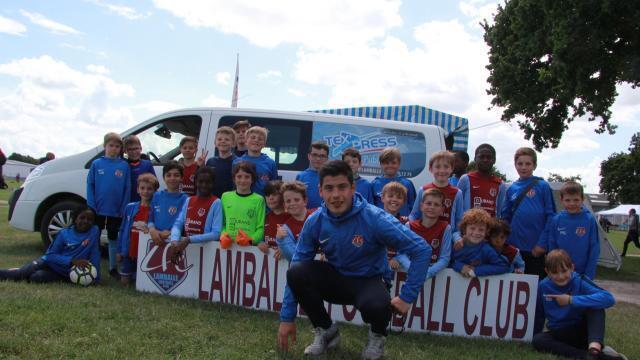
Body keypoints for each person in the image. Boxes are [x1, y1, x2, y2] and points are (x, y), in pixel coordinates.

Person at [277, 160, 431, 360]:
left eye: (342, 187)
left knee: (378, 305)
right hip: (337, 280)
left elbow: (422, 249)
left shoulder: (375, 218)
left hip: (369, 280)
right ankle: (326, 331)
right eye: (329, 188)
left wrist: (407, 296)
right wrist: (287, 318)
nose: (336, 195)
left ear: (352, 188)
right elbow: (297, 261)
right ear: (320, 191)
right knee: (297, 272)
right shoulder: (315, 221)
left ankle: (377, 336)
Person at [532, 249, 627, 360]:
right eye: (555, 272)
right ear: (547, 272)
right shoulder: (543, 286)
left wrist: (571, 300)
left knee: (596, 307)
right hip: (559, 333)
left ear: (572, 268)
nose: (561, 276)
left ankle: (594, 350)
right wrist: (533, 334)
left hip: (582, 331)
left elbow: (609, 299)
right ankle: (589, 356)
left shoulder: (580, 281)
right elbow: (539, 314)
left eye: (564, 271)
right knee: (538, 340)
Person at [0, 205, 101, 283]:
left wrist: (96, 278)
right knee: (19, 275)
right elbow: (50, 256)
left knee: (36, 278)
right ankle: (17, 271)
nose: (85, 221)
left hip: (64, 273)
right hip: (48, 262)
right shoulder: (64, 234)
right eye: (82, 218)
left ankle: (27, 272)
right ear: (75, 219)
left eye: (89, 219)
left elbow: (95, 252)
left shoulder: (94, 232)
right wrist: (72, 261)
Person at [501, 147, 555, 278]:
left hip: (536, 249)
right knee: (514, 288)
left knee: (535, 287)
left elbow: (551, 216)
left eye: (528, 164)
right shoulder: (511, 188)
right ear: (515, 165)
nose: (523, 167)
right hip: (515, 248)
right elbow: (505, 218)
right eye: (520, 164)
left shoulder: (542, 186)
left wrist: (542, 244)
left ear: (534, 165)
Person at [87, 132, 130, 279]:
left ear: (121, 149)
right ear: (105, 146)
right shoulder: (97, 164)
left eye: (117, 146)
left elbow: (127, 188)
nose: (114, 149)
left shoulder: (124, 166)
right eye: (111, 145)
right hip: (97, 210)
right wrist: (92, 205)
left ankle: (112, 268)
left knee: (113, 239)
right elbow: (90, 185)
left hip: (116, 211)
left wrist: (123, 208)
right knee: (94, 237)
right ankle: (92, 265)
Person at [541, 181, 600, 279]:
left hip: (582, 274)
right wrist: (554, 269)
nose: (572, 203)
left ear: (582, 199)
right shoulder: (556, 220)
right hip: (561, 273)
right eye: (568, 200)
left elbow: (594, 248)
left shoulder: (589, 219)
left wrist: (589, 274)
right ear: (561, 200)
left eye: (576, 200)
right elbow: (552, 247)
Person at [169, 166, 223, 253]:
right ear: (195, 182)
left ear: (213, 183)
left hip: (207, 251)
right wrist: (174, 240)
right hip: (188, 250)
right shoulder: (189, 200)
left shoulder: (216, 202)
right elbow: (178, 224)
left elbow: (216, 234)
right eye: (201, 182)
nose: (204, 185)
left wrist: (189, 240)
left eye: (208, 182)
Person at [410, 151, 463, 237]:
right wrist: (411, 227)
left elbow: (459, 220)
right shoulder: (423, 190)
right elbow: (414, 214)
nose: (442, 171)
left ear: (452, 169)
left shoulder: (457, 193)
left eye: (446, 167)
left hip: (447, 238)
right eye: (437, 167)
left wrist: (456, 237)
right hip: (424, 236)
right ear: (431, 169)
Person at [117, 173, 158, 285]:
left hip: (145, 252)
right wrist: (119, 250)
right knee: (125, 282)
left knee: (143, 283)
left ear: (155, 191)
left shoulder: (156, 210)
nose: (145, 191)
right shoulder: (130, 207)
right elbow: (122, 229)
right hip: (129, 250)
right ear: (137, 190)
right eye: (142, 188)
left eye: (150, 189)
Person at [403, 188, 452, 279]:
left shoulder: (446, 228)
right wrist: (412, 269)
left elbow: (445, 258)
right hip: (411, 273)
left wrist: (428, 273)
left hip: (433, 276)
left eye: (436, 204)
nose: (432, 207)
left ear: (442, 209)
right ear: (421, 206)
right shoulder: (409, 226)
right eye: (428, 203)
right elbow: (402, 254)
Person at [220, 161, 267, 251]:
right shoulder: (225, 197)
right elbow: (222, 223)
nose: (243, 180)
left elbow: (260, 228)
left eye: (247, 177)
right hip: (229, 247)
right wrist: (223, 235)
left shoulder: (259, 200)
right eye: (239, 176)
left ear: (252, 179)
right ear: (234, 178)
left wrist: (250, 240)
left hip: (249, 249)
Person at [451, 208, 509, 277]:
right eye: (472, 228)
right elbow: (446, 261)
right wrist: (460, 267)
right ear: (464, 229)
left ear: (486, 232)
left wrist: (475, 270)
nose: (476, 233)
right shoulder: (457, 244)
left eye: (481, 230)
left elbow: (503, 267)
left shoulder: (486, 249)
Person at [457, 144, 505, 217]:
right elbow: (458, 206)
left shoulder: (500, 184)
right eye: (481, 157)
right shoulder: (466, 179)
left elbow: (499, 212)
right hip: (469, 227)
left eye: (488, 157)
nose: (485, 160)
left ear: (494, 160)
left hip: (491, 227)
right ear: (475, 159)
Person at [147, 161, 189, 246]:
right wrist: (152, 230)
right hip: (155, 238)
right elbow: (150, 218)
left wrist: (171, 233)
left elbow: (185, 223)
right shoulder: (156, 196)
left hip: (174, 241)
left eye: (176, 175)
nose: (172, 178)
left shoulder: (186, 199)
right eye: (168, 175)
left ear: (182, 178)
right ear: (163, 177)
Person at [276, 181, 315, 261]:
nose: (292, 203)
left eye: (296, 200)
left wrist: (326, 254)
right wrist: (281, 240)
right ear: (284, 205)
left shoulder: (317, 216)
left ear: (305, 201)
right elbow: (294, 257)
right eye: (288, 201)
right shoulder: (285, 229)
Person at [232, 126, 278, 195]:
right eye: (253, 137)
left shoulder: (270, 163)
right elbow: (234, 186)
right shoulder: (236, 162)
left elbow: (274, 187)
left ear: (264, 144)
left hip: (263, 203)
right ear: (246, 141)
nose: (256, 140)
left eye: (260, 139)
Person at [371, 147, 416, 217]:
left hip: (402, 225)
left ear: (399, 164)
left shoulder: (407, 184)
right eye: (386, 163)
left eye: (393, 163)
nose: (390, 166)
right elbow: (371, 208)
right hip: (381, 225)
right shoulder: (374, 184)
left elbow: (414, 208)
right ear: (380, 164)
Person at [205, 126, 237, 198]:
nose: (223, 141)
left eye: (227, 139)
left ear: (233, 143)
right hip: (212, 200)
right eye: (219, 139)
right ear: (215, 143)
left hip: (230, 200)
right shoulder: (210, 161)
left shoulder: (238, 162)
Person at [296, 141, 329, 209]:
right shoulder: (300, 176)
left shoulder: (331, 177)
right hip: (307, 217)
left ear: (327, 158)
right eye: (314, 155)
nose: (318, 159)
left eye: (322, 156)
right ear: (309, 156)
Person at [124, 135, 156, 203]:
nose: (134, 152)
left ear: (141, 148)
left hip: (145, 203)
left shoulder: (147, 164)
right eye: (130, 149)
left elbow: (155, 185)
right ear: (125, 151)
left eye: (136, 148)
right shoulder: (123, 166)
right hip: (128, 204)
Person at [263, 180, 290, 258]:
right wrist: (260, 243)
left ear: (283, 195)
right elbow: (261, 240)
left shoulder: (291, 217)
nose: (271, 198)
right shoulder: (265, 217)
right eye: (267, 195)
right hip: (269, 265)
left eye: (274, 194)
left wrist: (285, 249)